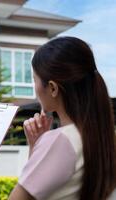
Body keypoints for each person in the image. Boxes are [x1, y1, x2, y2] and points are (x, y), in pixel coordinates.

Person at [9, 37, 116, 200]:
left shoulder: (59, 140)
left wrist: (41, 146)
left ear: (52, 88)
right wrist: (36, 147)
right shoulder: (102, 136)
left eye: (34, 79)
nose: (35, 87)